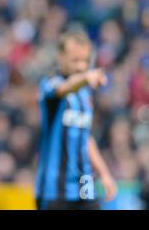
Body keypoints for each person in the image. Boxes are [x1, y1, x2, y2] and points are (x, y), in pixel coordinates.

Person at [35, 30, 118, 210]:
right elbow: (63, 88)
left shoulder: (85, 93)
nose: (81, 66)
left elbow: (86, 137)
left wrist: (105, 174)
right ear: (60, 57)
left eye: (85, 61)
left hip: (85, 184)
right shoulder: (50, 83)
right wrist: (86, 77)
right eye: (75, 60)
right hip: (55, 188)